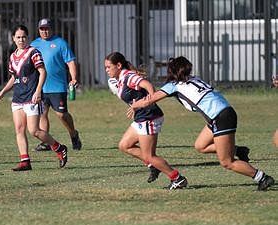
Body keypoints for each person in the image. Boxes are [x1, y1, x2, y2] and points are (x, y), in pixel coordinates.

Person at [130, 56, 275, 191]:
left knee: (227, 162)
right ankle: (239, 151)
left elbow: (150, 100)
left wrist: (135, 105)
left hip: (220, 117)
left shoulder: (173, 85)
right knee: (201, 146)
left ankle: (262, 178)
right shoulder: (194, 79)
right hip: (223, 113)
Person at [104, 51, 188, 190]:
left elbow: (148, 86)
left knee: (150, 155)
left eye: (108, 67)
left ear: (118, 65)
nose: (106, 70)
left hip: (148, 117)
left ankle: (177, 178)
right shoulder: (121, 78)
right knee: (125, 145)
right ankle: (153, 166)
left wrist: (148, 102)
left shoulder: (128, 77)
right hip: (141, 117)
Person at [0, 25, 68, 171]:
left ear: (27, 38)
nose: (21, 39)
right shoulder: (13, 56)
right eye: (18, 37)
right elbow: (14, 78)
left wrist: (38, 91)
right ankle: (25, 161)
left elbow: (42, 72)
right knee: (19, 130)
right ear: (13, 39)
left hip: (31, 97)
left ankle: (59, 148)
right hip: (17, 99)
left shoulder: (33, 52)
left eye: (23, 37)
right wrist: (2, 92)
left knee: (34, 131)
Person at [30, 18, 82, 151]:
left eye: (47, 28)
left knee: (61, 114)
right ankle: (46, 142)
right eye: (42, 29)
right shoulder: (34, 44)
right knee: (42, 113)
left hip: (57, 86)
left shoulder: (60, 43)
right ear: (39, 30)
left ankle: (73, 134)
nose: (45, 31)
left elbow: (70, 62)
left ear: (51, 29)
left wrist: (74, 78)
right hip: (40, 86)